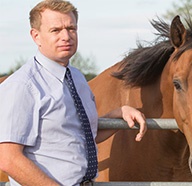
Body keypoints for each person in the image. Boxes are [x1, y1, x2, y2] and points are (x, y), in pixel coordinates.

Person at [0, 0, 147, 185]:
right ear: (36, 36)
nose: (66, 36)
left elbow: (82, 135)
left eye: (71, 28)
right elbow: (9, 159)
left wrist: (119, 113)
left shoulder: (77, 79)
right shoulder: (22, 86)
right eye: (56, 30)